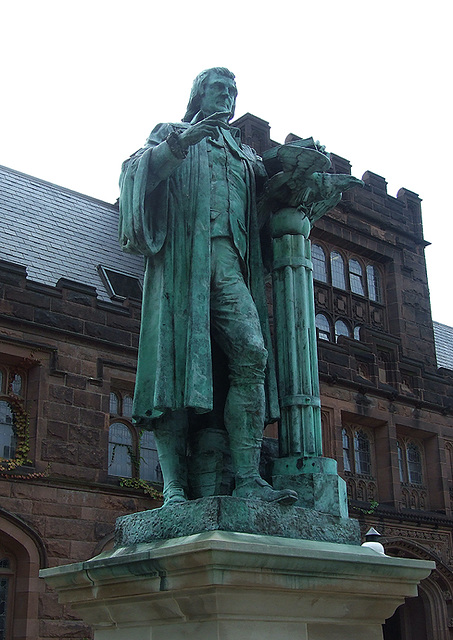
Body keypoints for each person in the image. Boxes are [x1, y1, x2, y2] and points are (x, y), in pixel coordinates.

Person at [119, 67, 297, 507]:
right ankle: (174, 488)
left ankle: (248, 476)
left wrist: (303, 177)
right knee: (174, 370)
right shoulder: (174, 132)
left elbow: (266, 205)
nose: (228, 96)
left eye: (234, 90)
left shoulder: (245, 154)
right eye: (219, 88)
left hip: (233, 266)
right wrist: (183, 142)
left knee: (252, 354)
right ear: (199, 94)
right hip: (184, 266)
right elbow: (134, 176)